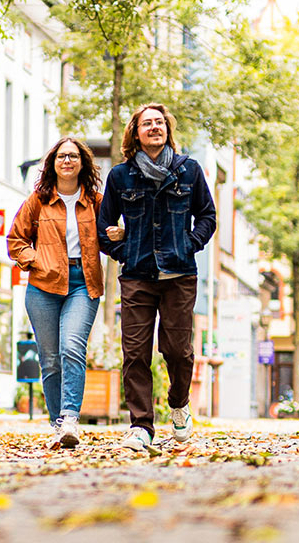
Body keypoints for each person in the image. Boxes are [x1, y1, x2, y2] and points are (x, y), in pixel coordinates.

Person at [97, 103, 217, 451]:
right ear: (135, 132)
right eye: (147, 123)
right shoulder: (120, 176)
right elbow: (105, 229)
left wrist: (188, 245)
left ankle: (179, 405)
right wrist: (127, 252)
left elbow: (207, 216)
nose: (154, 127)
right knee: (135, 352)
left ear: (168, 130)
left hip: (179, 275)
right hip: (137, 275)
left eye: (160, 123)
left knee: (177, 351)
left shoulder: (189, 171)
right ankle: (141, 426)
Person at [8, 137, 122, 449]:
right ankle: (57, 423)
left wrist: (118, 235)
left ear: (83, 163)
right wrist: (36, 261)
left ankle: (70, 417)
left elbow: (111, 240)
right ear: (53, 163)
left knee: (72, 346)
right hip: (43, 286)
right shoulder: (38, 200)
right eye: (61, 156)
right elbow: (16, 239)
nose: (67, 161)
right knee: (49, 358)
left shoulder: (96, 202)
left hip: (83, 283)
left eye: (73, 156)